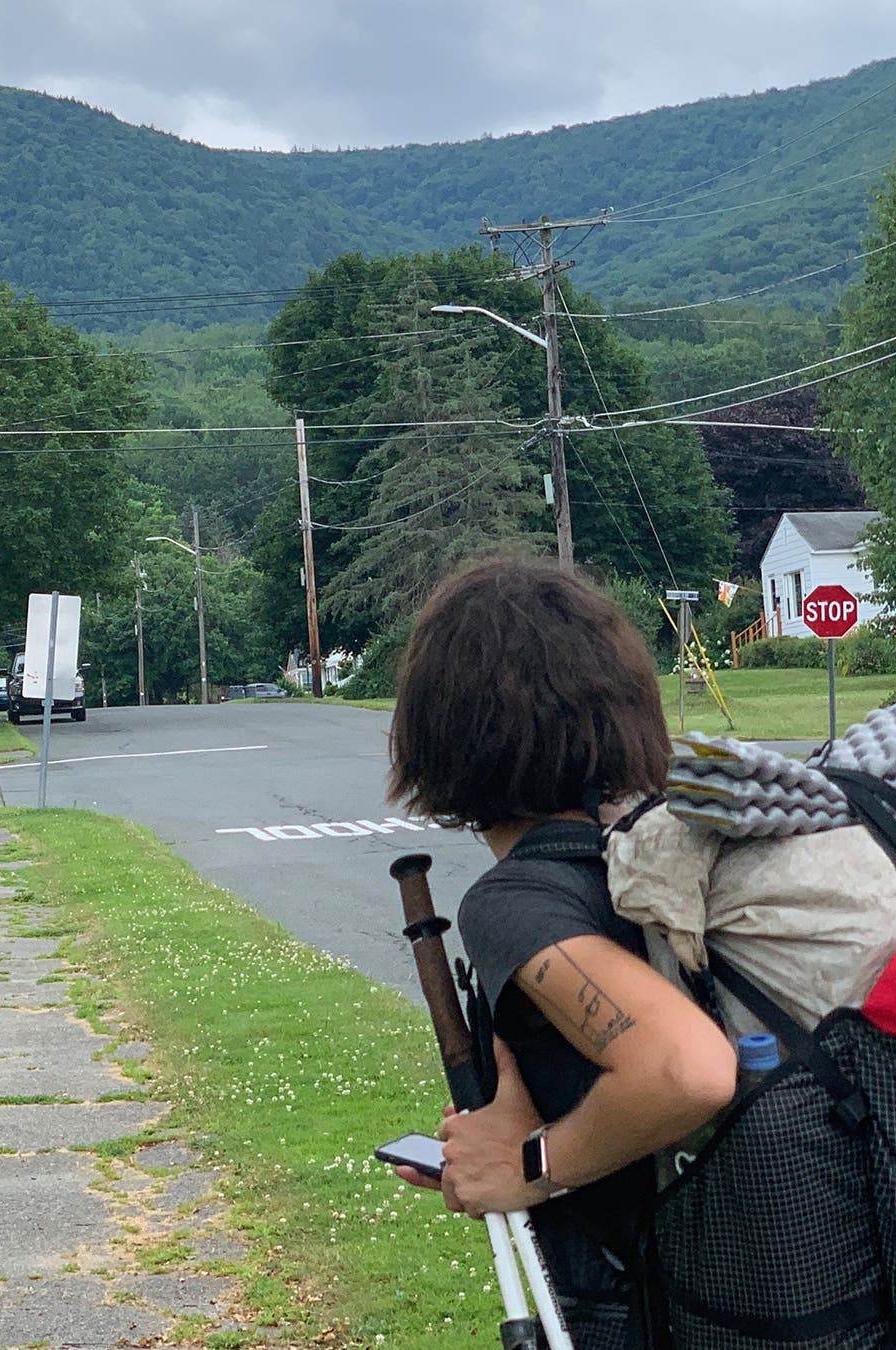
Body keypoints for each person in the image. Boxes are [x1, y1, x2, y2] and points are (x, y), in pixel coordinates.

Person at [384, 556, 737, 1349]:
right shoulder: (656, 848)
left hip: (646, 1313)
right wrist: (510, 1130)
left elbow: (687, 1069)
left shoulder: (519, 898)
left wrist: (531, 1162)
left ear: (445, 733)